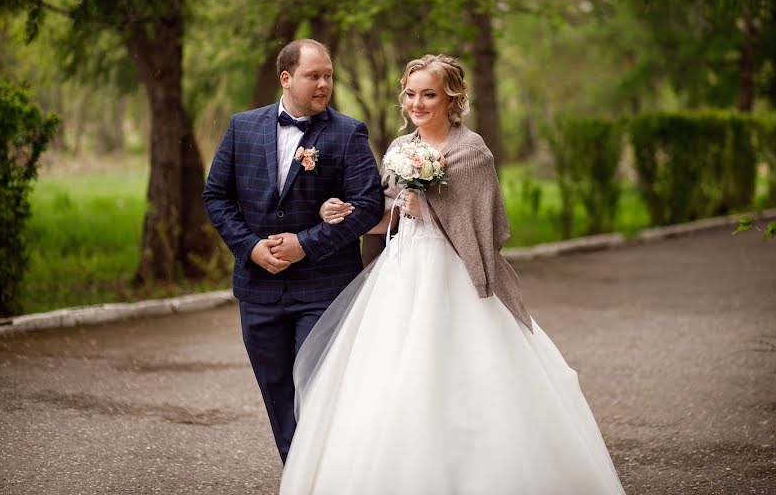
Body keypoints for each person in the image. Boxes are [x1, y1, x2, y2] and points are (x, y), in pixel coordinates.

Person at [279, 54, 626, 494]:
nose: (417, 103)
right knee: (392, 377)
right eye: (410, 94)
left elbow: (484, 225)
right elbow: (388, 218)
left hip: (456, 274)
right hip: (403, 275)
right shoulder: (401, 150)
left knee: (470, 372)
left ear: (451, 97)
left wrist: (428, 208)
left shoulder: (471, 151)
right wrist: (341, 213)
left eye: (429, 94)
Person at [202, 39, 384, 463]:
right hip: (258, 289)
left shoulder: (348, 132)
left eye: (329, 76)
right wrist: (249, 248)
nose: (324, 85)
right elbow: (216, 196)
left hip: (322, 290)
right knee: (277, 391)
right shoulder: (241, 127)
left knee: (317, 387)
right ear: (286, 78)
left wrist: (305, 244)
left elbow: (368, 204)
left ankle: (327, 475)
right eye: (313, 76)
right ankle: (299, 474)